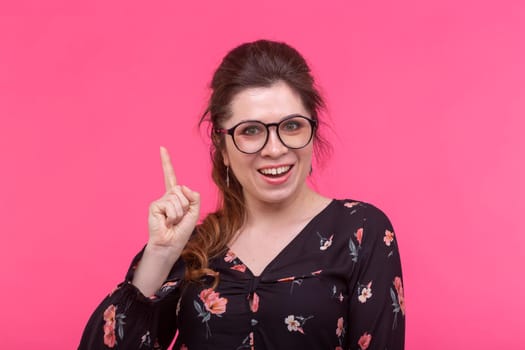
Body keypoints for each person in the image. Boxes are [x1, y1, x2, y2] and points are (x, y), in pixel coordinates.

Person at [79, 39, 405, 350]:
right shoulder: (194, 246)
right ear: (221, 147)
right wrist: (161, 253)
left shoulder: (360, 231)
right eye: (250, 131)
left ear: (312, 130)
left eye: (292, 126)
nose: (275, 149)